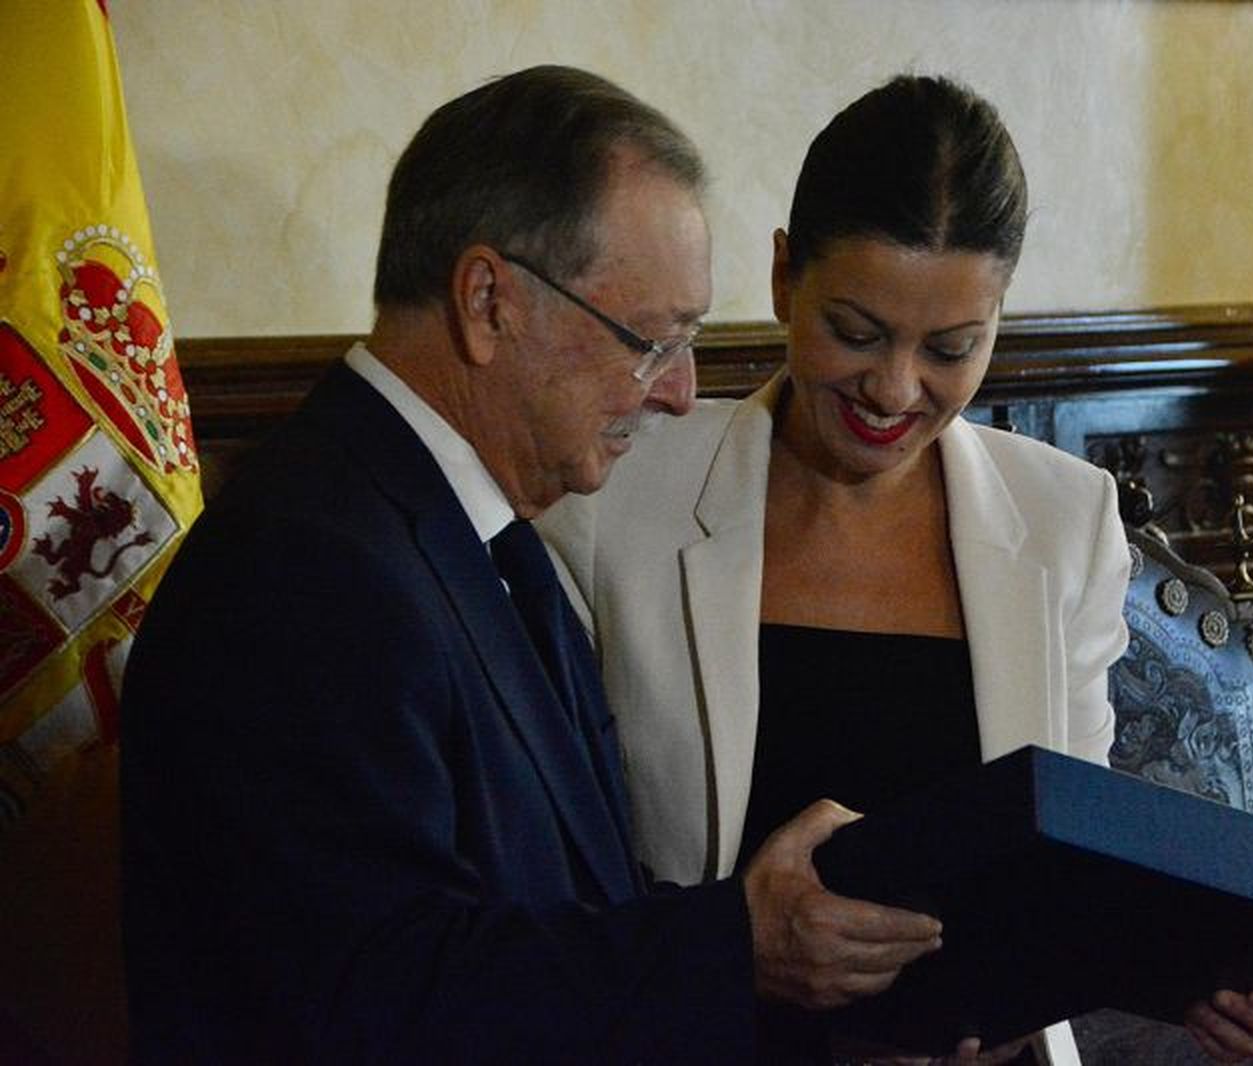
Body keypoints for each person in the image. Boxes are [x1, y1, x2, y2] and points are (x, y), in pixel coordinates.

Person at [118, 65, 945, 1065]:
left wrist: (809, 977)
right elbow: (376, 999)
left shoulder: (481, 535)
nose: (680, 393)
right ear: (488, 302)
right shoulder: (303, 569)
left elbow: (572, 905)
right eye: (652, 341)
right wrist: (734, 944)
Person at [537, 74, 1253, 1064]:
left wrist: (1194, 971)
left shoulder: (1063, 519)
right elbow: (553, 877)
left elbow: (1069, 861)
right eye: (855, 333)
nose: (894, 389)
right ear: (783, 279)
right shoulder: (615, 495)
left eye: (950, 348)